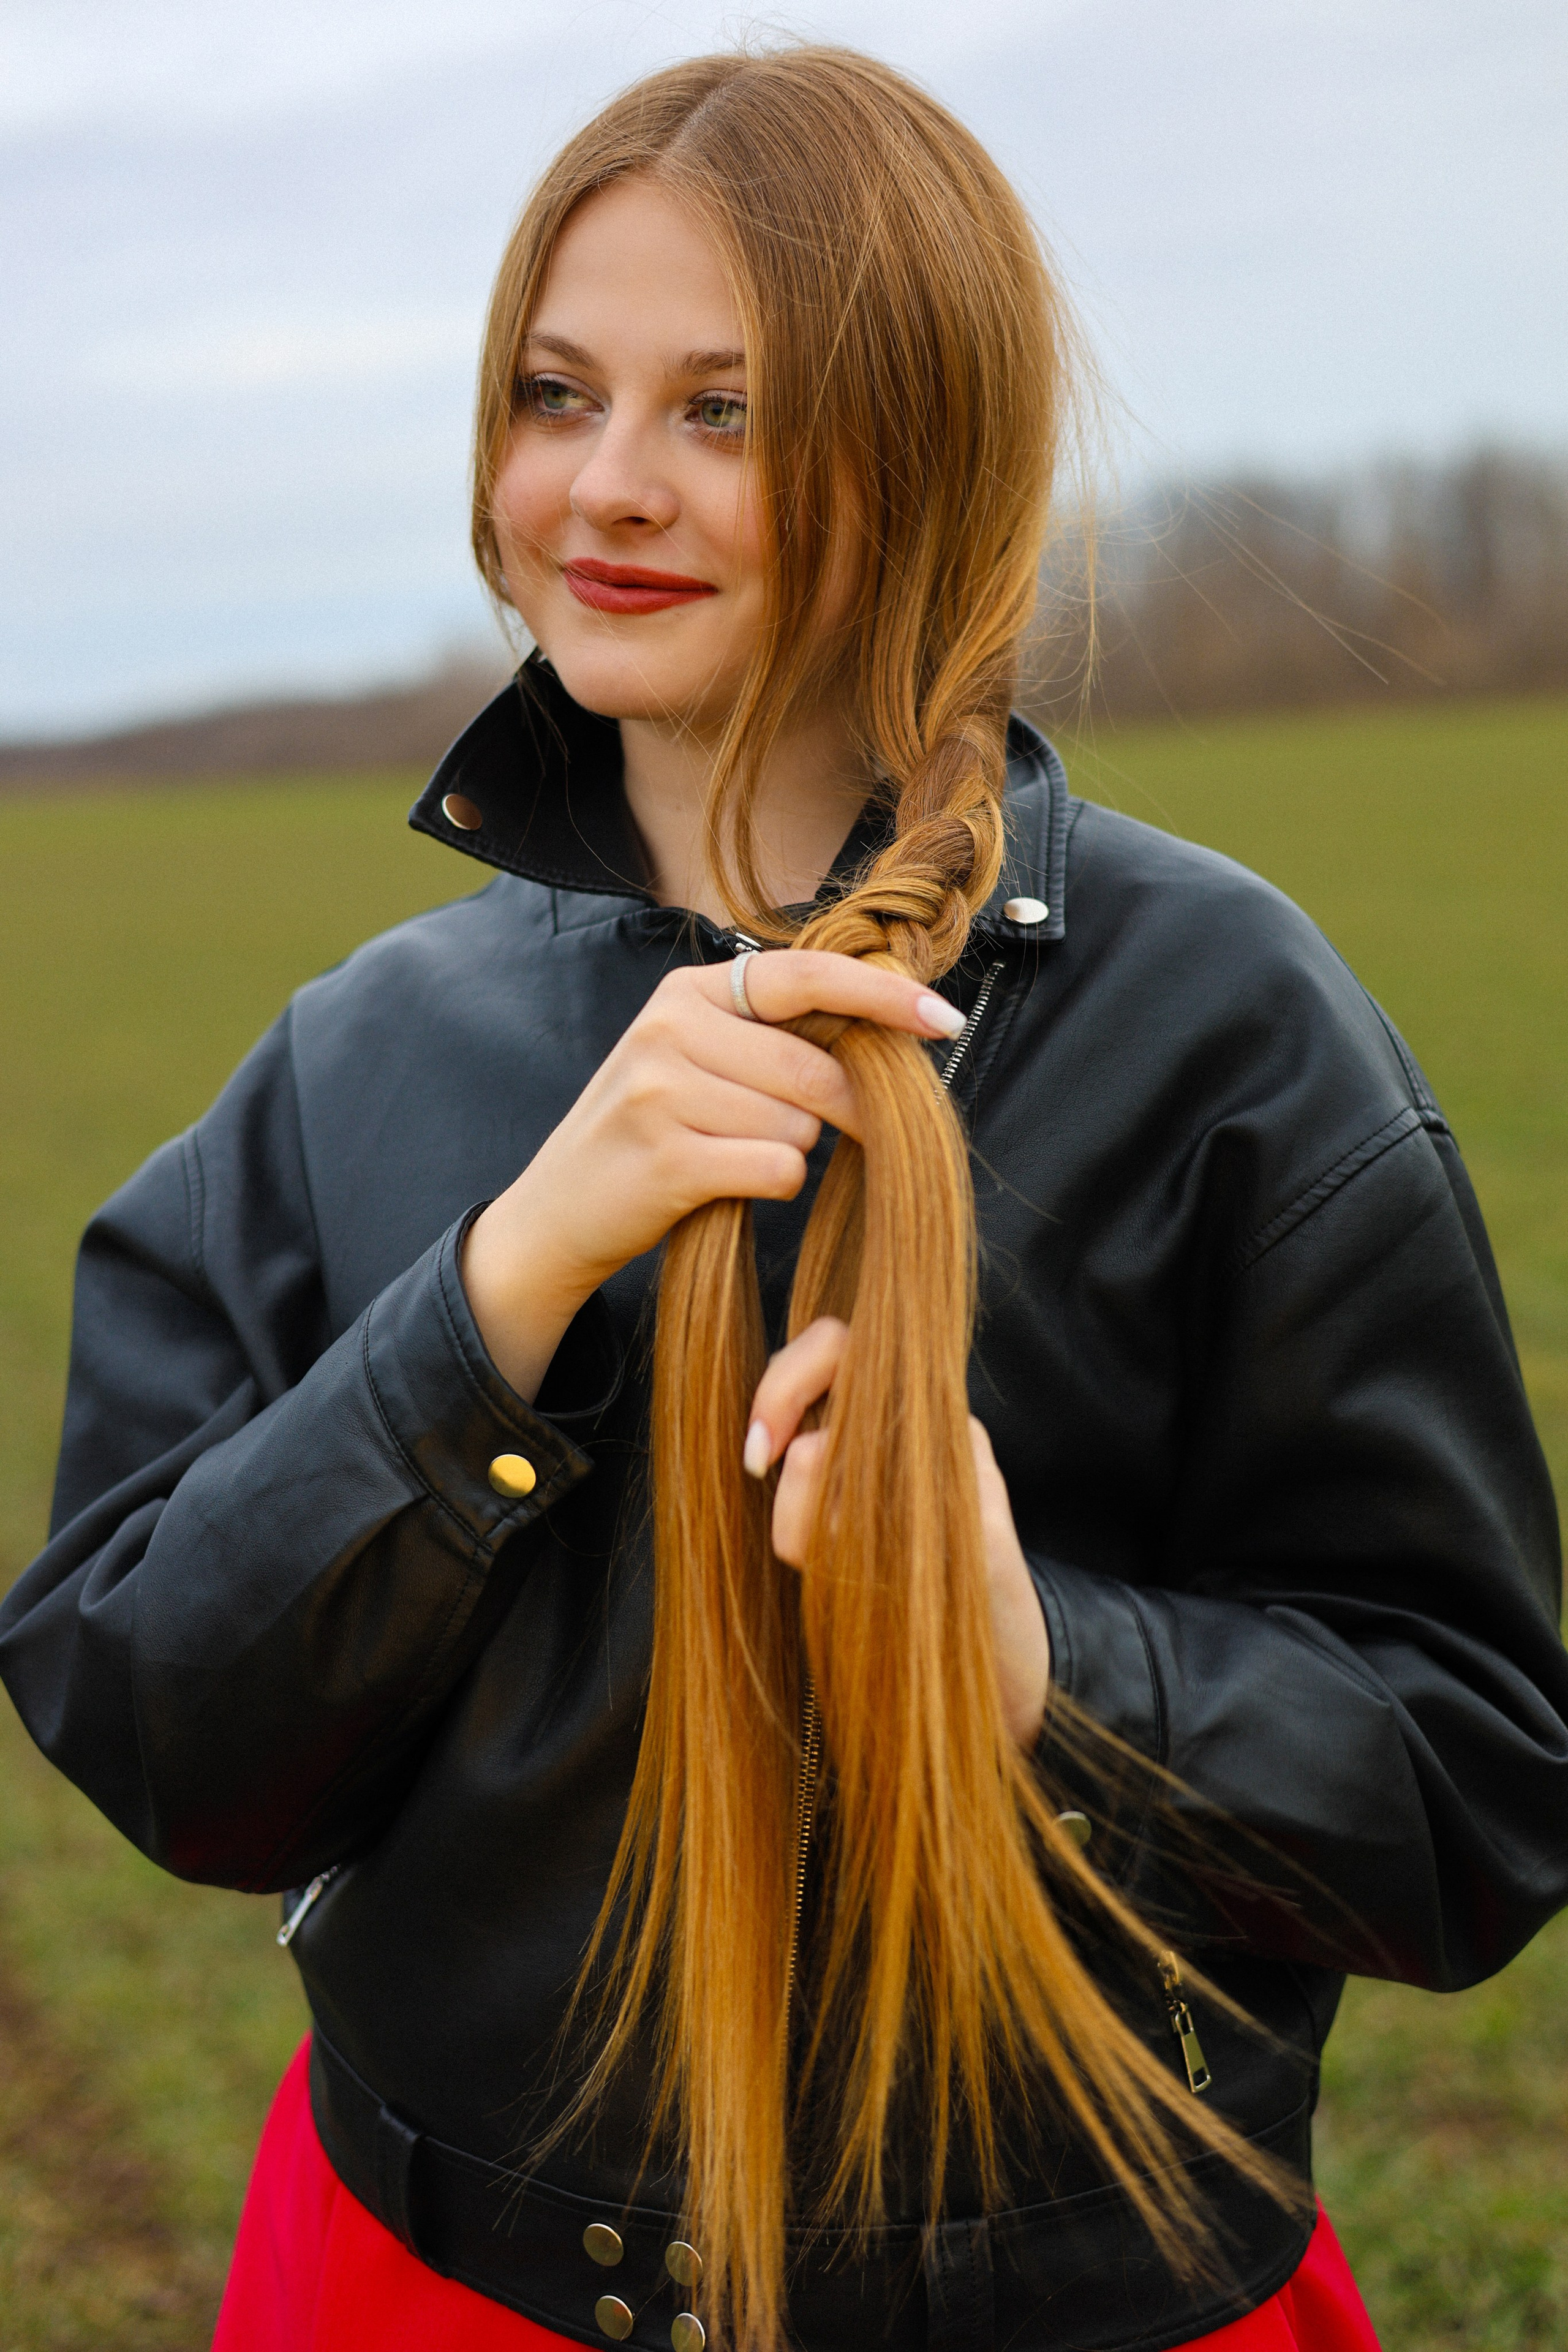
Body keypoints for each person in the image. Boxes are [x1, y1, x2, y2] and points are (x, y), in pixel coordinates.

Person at [2, 43, 1564, 2352]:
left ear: (920, 445)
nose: (605, 488)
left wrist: (1053, 1672)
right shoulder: (358, 1057)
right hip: (420, 2284)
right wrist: (500, 1296)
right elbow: (155, 1726)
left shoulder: (1233, 1023)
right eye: (555, 391)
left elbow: (1475, 1795)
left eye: (722, 411)